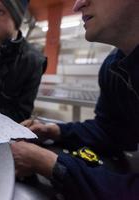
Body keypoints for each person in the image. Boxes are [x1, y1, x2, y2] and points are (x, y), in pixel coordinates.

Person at [10, 0, 139, 199]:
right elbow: (110, 131)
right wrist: (56, 131)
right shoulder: (114, 68)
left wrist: (51, 164)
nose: (77, 5)